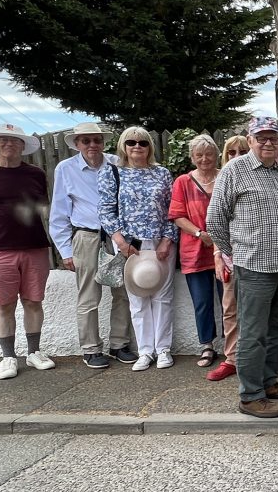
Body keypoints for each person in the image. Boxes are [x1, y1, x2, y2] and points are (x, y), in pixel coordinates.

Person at [205, 117, 278, 418]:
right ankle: (250, 396)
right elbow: (214, 220)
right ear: (250, 141)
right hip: (255, 268)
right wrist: (234, 253)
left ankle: (268, 382)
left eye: (273, 137)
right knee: (253, 333)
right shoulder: (235, 170)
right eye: (262, 138)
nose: (268, 143)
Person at [0, 123, 55, 380]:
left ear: (23, 146)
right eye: (3, 139)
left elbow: (40, 206)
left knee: (33, 302)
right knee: (3, 304)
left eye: (15, 140)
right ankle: (8, 357)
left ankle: (34, 352)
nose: (8, 144)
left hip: (34, 246)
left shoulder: (35, 174)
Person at [49, 122, 137, 369]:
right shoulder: (66, 169)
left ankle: (119, 344)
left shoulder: (117, 163)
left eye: (96, 140)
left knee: (123, 292)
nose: (92, 145)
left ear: (103, 142)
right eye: (86, 141)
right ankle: (90, 349)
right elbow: (59, 213)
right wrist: (66, 250)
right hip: (87, 236)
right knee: (88, 295)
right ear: (77, 144)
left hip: (118, 236)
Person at [99, 126, 178, 372]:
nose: (137, 147)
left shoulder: (162, 173)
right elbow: (105, 209)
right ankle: (145, 351)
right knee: (137, 297)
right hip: (130, 244)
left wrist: (167, 239)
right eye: (131, 142)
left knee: (162, 296)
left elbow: (173, 209)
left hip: (160, 241)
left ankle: (163, 349)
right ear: (123, 146)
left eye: (142, 143)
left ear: (149, 147)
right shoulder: (112, 172)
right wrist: (120, 241)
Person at [168, 134, 223, 368]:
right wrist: (201, 234)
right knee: (202, 302)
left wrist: (218, 236)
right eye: (199, 155)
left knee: (230, 300)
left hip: (224, 250)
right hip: (195, 251)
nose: (204, 159)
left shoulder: (225, 176)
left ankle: (234, 345)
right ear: (192, 157)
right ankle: (207, 346)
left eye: (209, 154)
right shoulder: (183, 182)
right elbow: (177, 215)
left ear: (216, 154)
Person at [203, 136, 248, 382]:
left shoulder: (259, 177)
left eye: (242, 151)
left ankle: (258, 359)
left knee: (257, 310)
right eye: (231, 152)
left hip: (256, 256)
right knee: (230, 309)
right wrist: (218, 256)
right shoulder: (222, 180)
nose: (237, 156)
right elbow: (215, 222)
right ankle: (232, 359)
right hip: (230, 256)